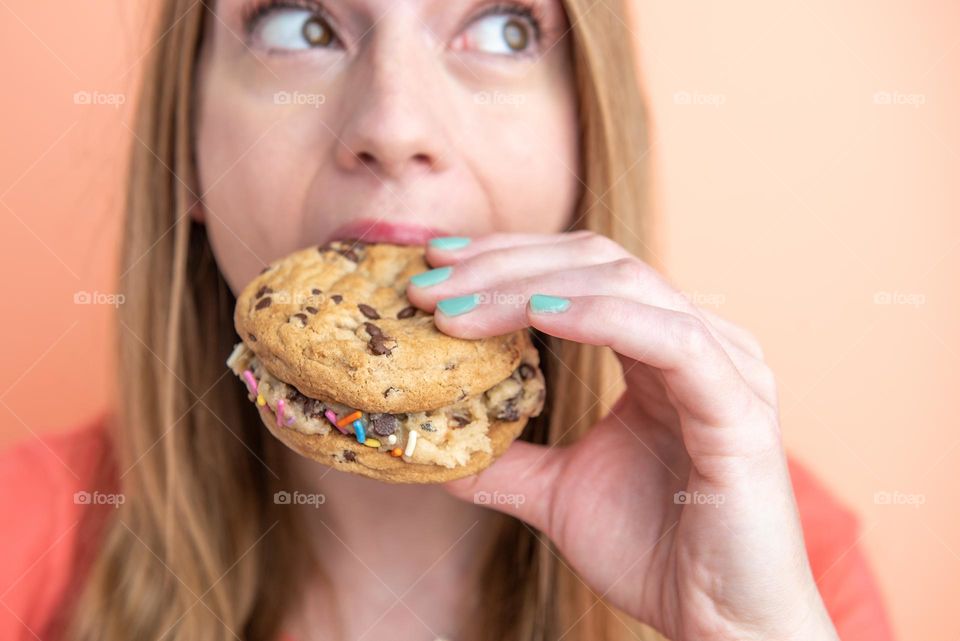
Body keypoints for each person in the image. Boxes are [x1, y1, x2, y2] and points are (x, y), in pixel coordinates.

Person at [0, 1, 894, 640]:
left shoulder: (785, 564)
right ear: (184, 147)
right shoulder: (22, 531)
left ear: (591, 135)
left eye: (503, 27)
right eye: (299, 24)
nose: (395, 124)